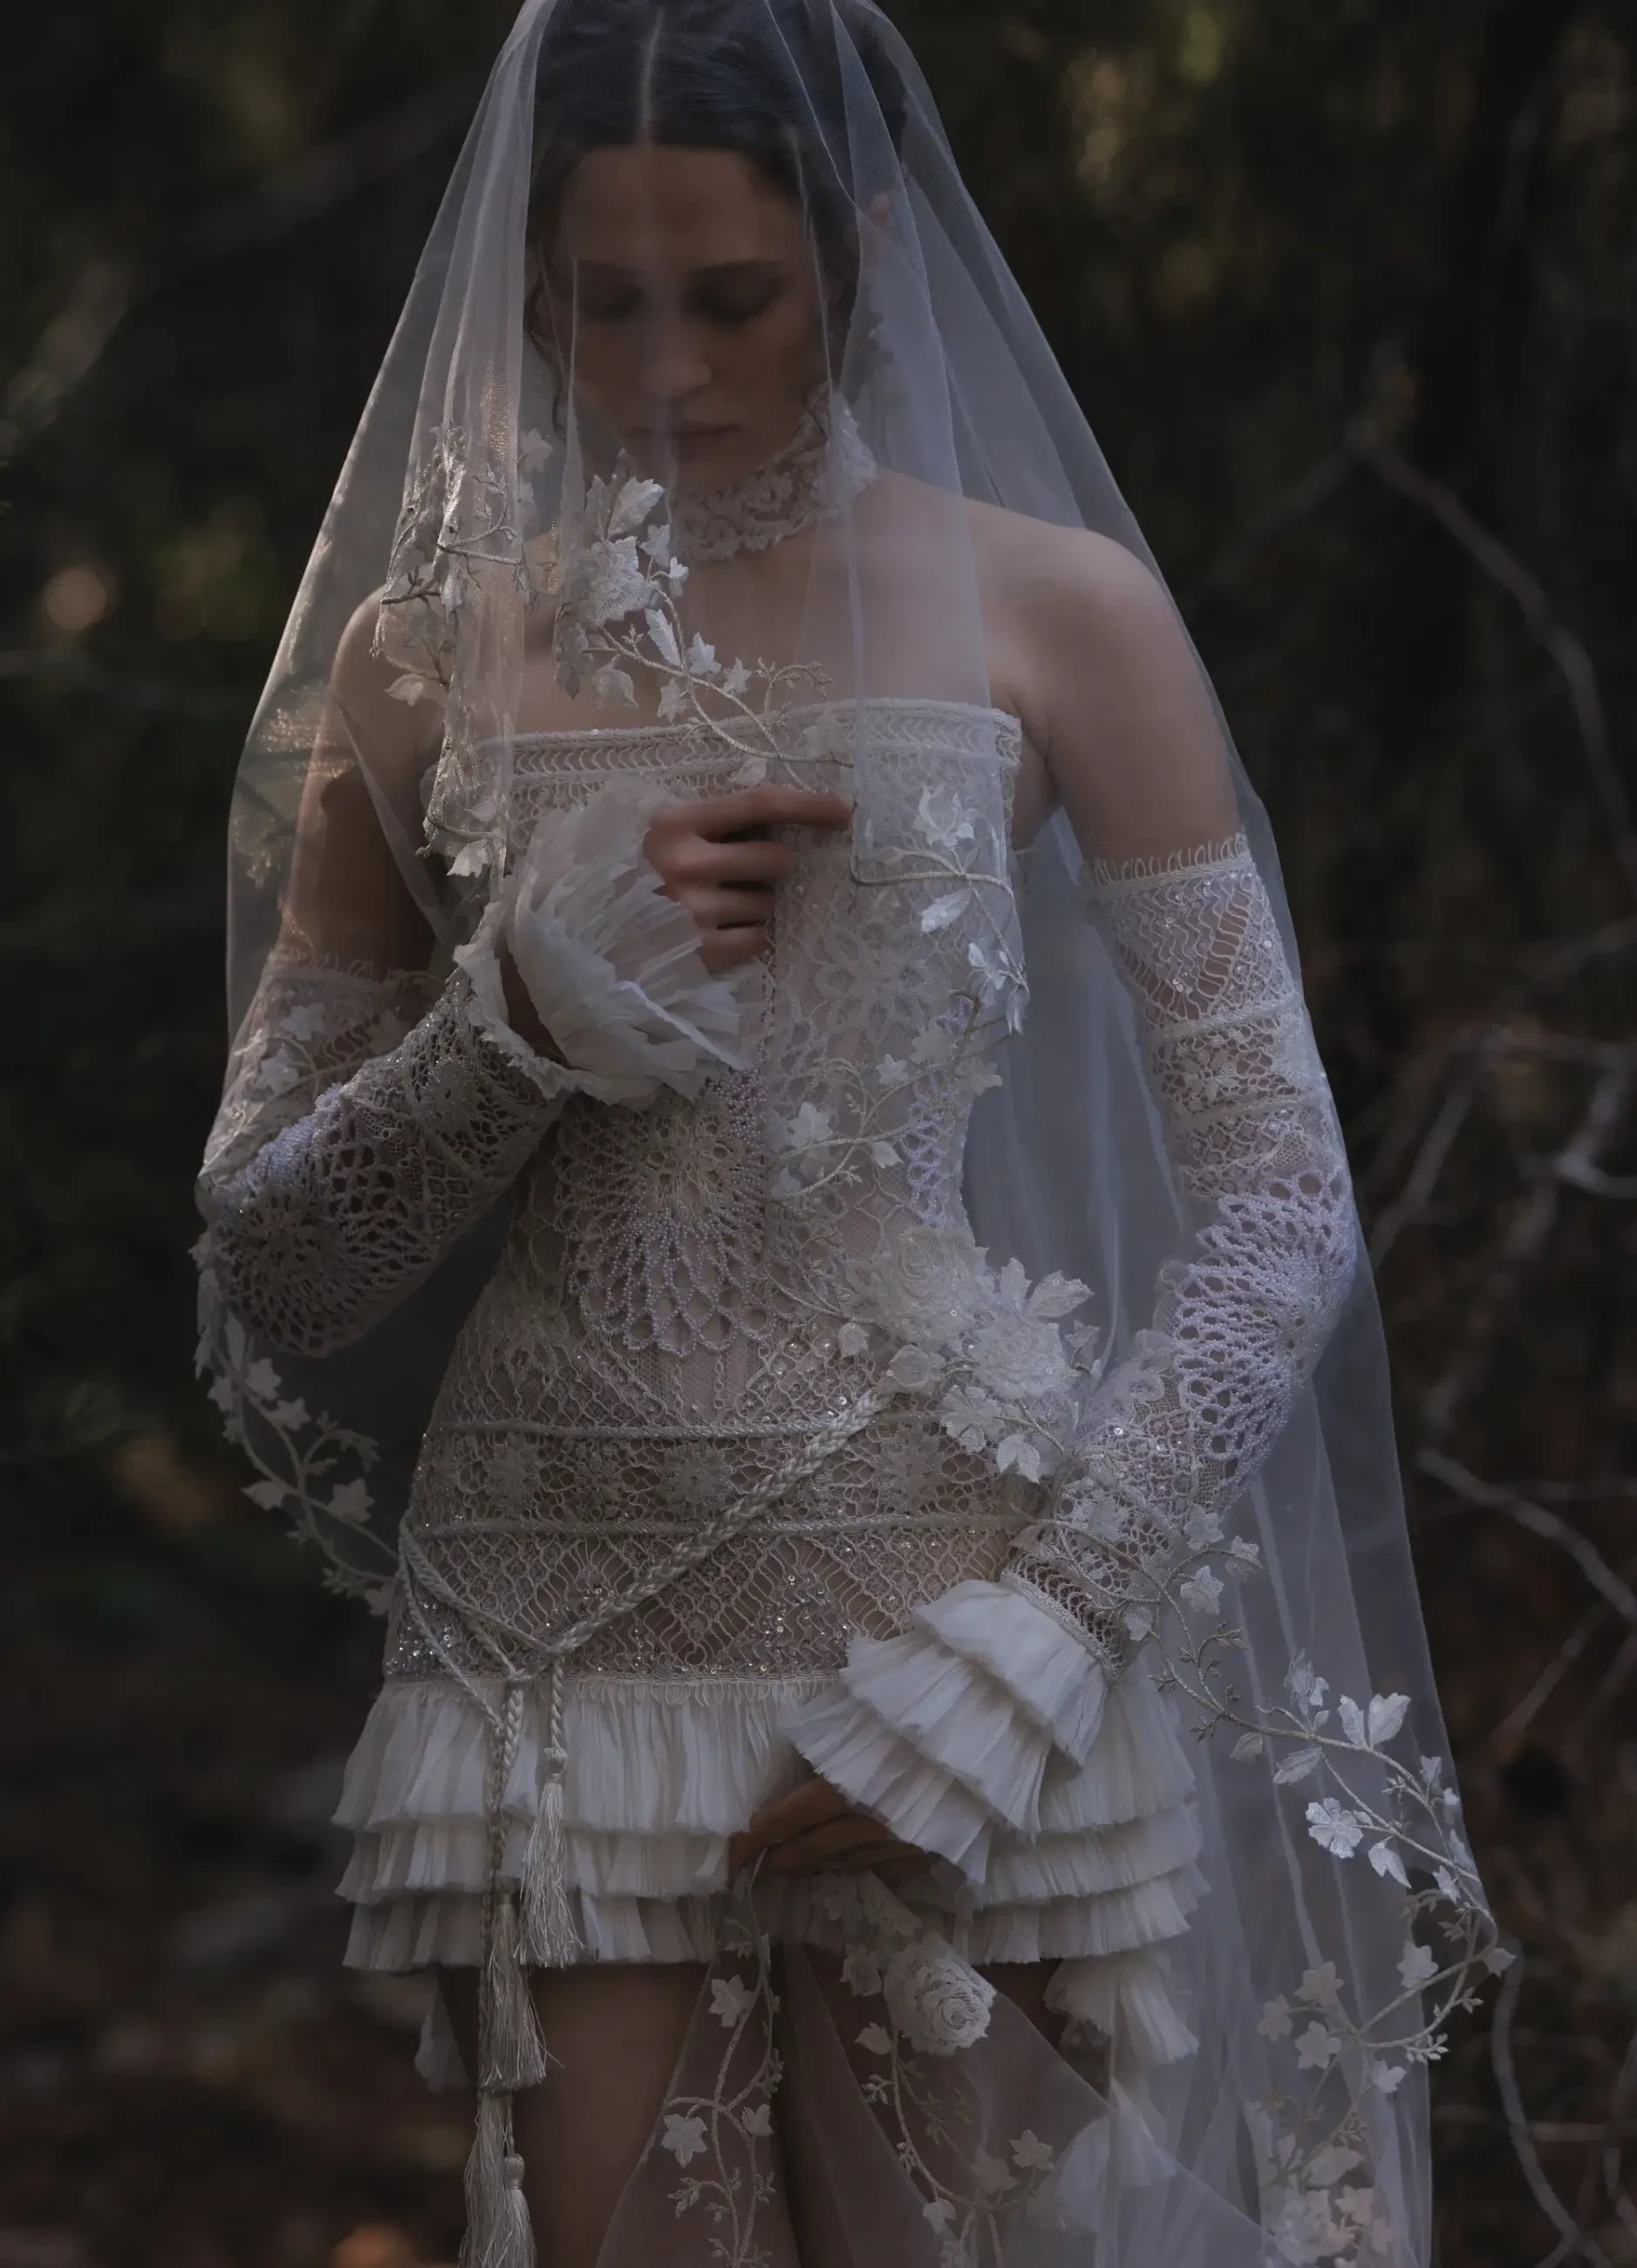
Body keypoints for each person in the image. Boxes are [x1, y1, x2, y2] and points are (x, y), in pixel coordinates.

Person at [194, 3, 1502, 2262]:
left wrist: (1036, 1644)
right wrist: (510, 1021)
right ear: (522, 290)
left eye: (732, 297)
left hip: (946, 1621)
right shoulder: (422, 668)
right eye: (601, 302)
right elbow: (275, 1260)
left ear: (865, 255)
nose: (666, 369)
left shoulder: (1058, 616)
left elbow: (1277, 1190)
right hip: (551, 1647)